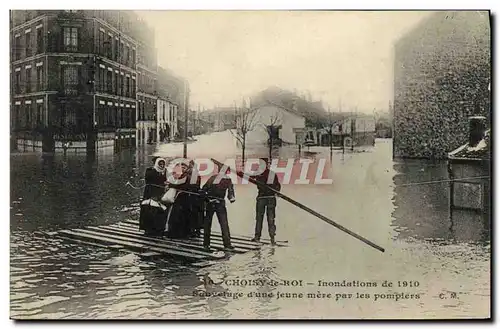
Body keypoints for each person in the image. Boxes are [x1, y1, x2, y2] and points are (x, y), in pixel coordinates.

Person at [202, 165, 236, 251]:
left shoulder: (213, 178)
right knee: (223, 223)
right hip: (218, 202)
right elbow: (231, 193)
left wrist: (207, 198)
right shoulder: (228, 180)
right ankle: (227, 244)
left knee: (208, 223)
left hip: (212, 202)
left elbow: (204, 189)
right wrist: (231, 198)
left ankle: (206, 244)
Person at [251, 158, 281, 245]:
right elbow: (277, 186)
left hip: (262, 198)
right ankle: (272, 238)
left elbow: (250, 177)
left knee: (260, 218)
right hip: (270, 198)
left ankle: (258, 237)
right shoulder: (271, 173)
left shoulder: (259, 173)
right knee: (270, 218)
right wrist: (277, 192)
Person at [139, 157, 168, 236]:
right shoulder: (150, 170)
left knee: (159, 210)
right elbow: (148, 180)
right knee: (149, 210)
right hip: (151, 192)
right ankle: (148, 229)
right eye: (160, 164)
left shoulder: (165, 171)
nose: (162, 166)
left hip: (160, 192)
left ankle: (158, 228)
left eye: (163, 164)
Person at [165, 162, 192, 239]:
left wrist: (170, 185)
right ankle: (180, 233)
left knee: (178, 216)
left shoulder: (186, 176)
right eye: (182, 167)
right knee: (179, 216)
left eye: (184, 168)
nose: (183, 169)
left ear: (187, 169)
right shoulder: (182, 176)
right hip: (181, 197)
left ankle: (177, 233)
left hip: (183, 198)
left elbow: (182, 186)